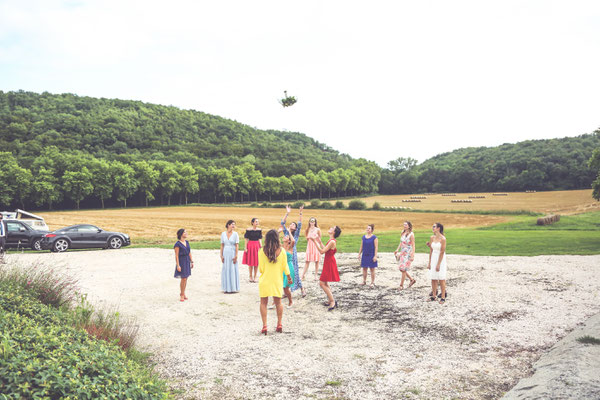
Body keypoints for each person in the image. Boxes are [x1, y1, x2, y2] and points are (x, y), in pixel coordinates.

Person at [258, 230, 293, 335]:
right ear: (277, 238)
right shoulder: (282, 251)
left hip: (265, 280)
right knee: (278, 303)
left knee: (263, 303)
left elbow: (261, 269)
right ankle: (279, 324)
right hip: (277, 280)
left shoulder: (261, 251)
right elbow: (285, 266)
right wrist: (288, 277)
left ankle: (264, 326)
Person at [310, 226, 342, 311]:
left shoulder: (332, 241)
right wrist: (319, 242)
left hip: (329, 263)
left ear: (334, 232)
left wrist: (314, 241)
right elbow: (325, 249)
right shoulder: (331, 241)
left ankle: (332, 301)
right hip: (328, 262)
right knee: (325, 283)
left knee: (322, 283)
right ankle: (330, 300)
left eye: (332, 228)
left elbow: (321, 252)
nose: (330, 228)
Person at [281, 204, 306, 296]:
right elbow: (282, 223)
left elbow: (299, 224)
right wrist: (287, 213)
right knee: (285, 271)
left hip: (292, 253)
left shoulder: (295, 234)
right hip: (284, 252)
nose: (291, 225)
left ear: (295, 228)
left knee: (294, 271)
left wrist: (300, 213)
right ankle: (286, 290)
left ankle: (302, 288)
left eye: (293, 225)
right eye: (291, 224)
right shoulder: (286, 232)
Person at [428, 222, 447, 304]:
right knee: (433, 278)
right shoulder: (432, 237)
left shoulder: (443, 239)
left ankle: (443, 297)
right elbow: (431, 250)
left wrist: (438, 264)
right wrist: (429, 263)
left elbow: (442, 252)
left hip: (441, 259)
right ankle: (434, 296)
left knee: (441, 278)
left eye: (434, 227)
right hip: (433, 258)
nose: (433, 228)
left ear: (438, 228)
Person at [394, 221, 416, 290]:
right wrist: (397, 249)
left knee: (403, 269)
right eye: (404, 225)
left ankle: (401, 285)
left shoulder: (411, 234)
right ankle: (412, 279)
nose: (404, 226)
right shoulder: (402, 232)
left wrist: (412, 254)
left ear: (409, 226)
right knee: (401, 268)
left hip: (408, 253)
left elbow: (413, 245)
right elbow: (401, 242)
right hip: (402, 252)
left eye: (406, 225)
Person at [174, 228, 194, 302]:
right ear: (181, 234)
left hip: (187, 261)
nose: (186, 233)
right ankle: (182, 294)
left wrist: (191, 261)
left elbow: (189, 252)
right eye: (185, 232)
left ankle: (183, 292)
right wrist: (178, 265)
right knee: (183, 278)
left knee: (186, 278)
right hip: (181, 262)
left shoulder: (187, 242)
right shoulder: (177, 244)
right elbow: (176, 255)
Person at [221, 220, 240, 293]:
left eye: (234, 225)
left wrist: (236, 255)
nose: (233, 226)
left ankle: (233, 288)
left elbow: (237, 245)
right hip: (225, 252)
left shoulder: (235, 234)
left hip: (232, 252)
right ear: (228, 225)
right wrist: (221, 255)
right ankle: (226, 288)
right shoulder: (223, 234)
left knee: (232, 268)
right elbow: (222, 245)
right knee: (226, 268)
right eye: (232, 224)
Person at [243, 218, 262, 283]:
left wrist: (261, 247)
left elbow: (260, 239)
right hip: (250, 245)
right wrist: (245, 247)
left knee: (256, 262)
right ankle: (250, 276)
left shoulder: (259, 230)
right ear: (252, 223)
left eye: (258, 221)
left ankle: (255, 277)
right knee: (250, 262)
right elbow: (246, 239)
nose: (257, 223)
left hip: (257, 246)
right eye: (256, 221)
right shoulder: (248, 230)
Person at [281, 233, 296, 307]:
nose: (284, 236)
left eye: (286, 237)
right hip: (281, 267)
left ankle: (290, 301)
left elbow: (293, 240)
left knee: (286, 287)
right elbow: (274, 240)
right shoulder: (281, 246)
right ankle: (275, 302)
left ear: (289, 240)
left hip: (289, 267)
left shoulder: (290, 247)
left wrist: (289, 231)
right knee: (282, 286)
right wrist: (278, 231)